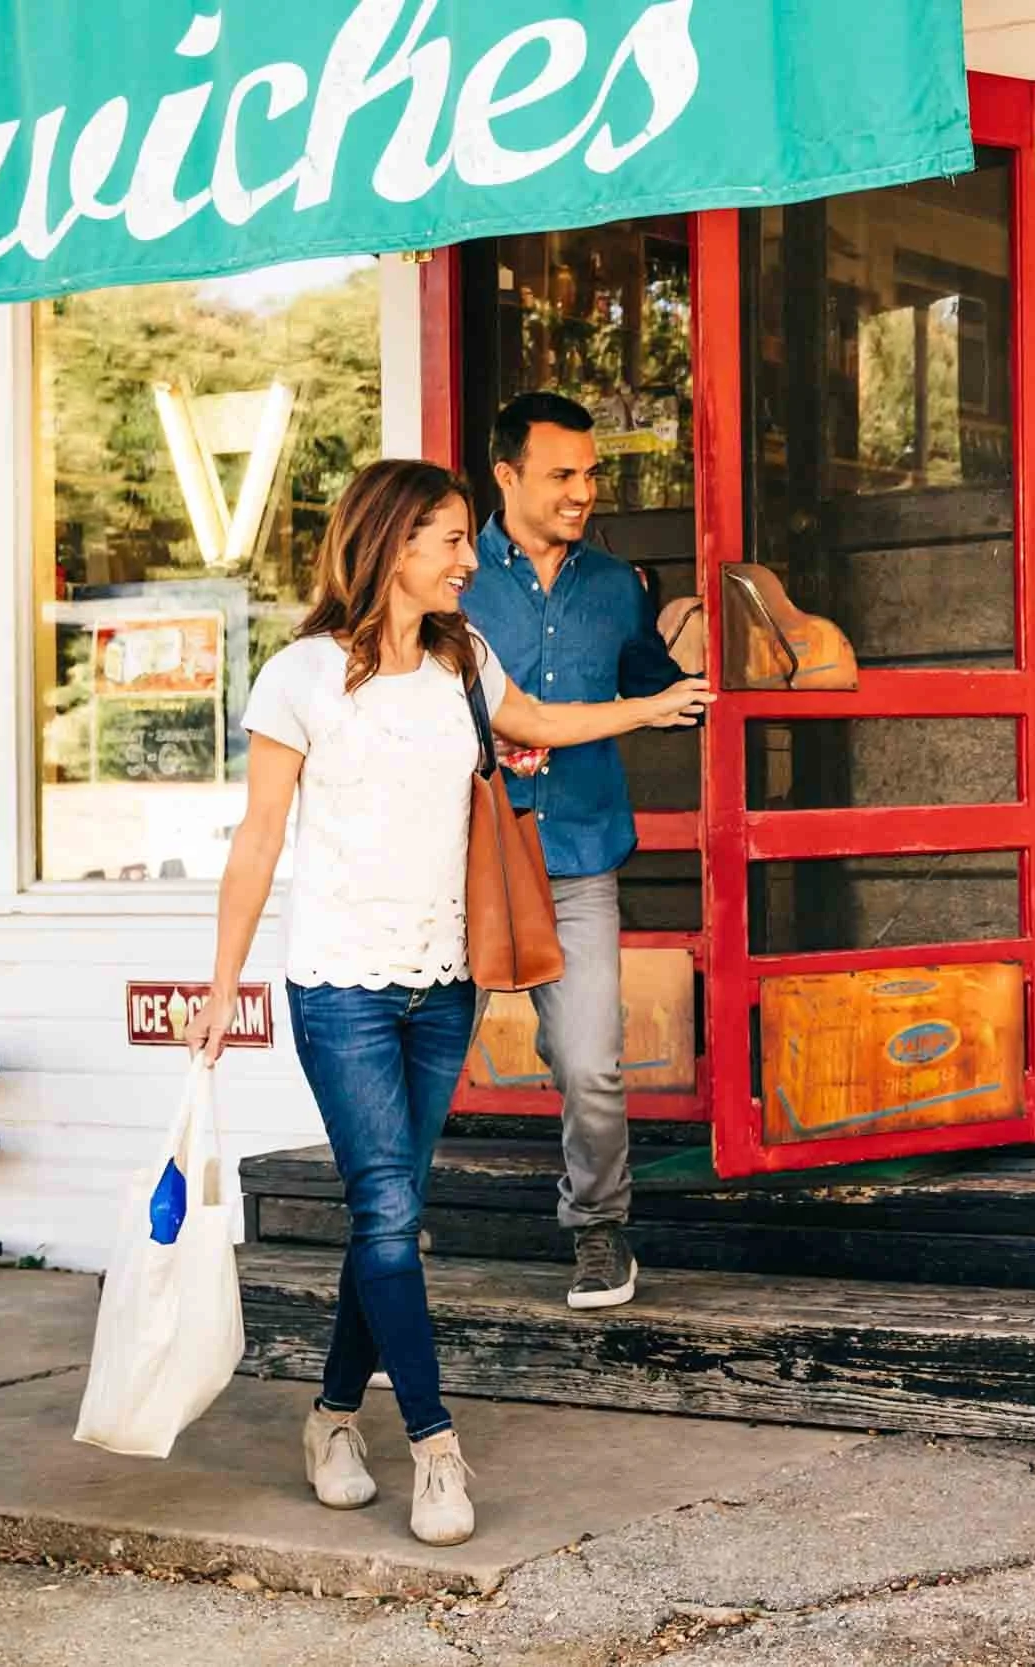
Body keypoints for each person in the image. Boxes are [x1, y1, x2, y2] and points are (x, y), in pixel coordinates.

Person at [184, 459, 709, 1546]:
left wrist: (654, 703)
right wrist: (221, 981)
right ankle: (432, 1444)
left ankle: (330, 1417)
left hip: (444, 981)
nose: (471, 559)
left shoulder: (464, 659)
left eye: (471, 538)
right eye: (450, 539)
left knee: (389, 1214)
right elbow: (259, 837)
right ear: (390, 543)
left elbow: (543, 722)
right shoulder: (299, 676)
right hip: (339, 985)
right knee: (386, 1214)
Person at [460, 392, 692, 1311]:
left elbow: (651, 683)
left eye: (590, 473)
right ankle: (388, 1243)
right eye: (561, 474)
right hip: (468, 859)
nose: (582, 492)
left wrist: (689, 646)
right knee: (427, 1061)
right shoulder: (451, 577)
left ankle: (598, 1229)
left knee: (592, 1060)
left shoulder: (614, 585)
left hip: (582, 852)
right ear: (506, 475)